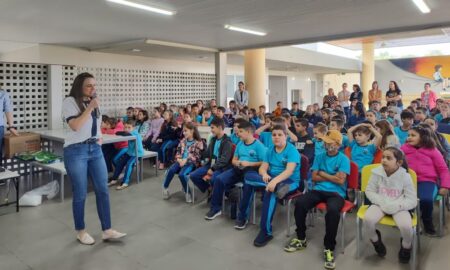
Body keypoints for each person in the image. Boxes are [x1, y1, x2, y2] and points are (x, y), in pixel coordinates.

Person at [62, 72, 125, 245]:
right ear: (79, 86)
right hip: (76, 151)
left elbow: (95, 125)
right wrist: (90, 107)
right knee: (81, 192)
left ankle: (107, 230)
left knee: (102, 189)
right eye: (89, 85)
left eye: (94, 85)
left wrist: (99, 139)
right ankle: (81, 231)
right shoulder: (70, 102)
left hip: (95, 149)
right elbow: (75, 126)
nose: (93, 88)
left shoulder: (94, 102)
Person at [285, 130, 350, 270]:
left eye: (329, 142)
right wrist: (330, 176)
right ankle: (301, 238)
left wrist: (322, 173)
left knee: (333, 211)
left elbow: (340, 181)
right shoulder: (320, 156)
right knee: (300, 203)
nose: (326, 144)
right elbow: (314, 177)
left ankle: (329, 247)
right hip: (318, 190)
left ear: (337, 144)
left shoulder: (344, 159)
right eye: (325, 142)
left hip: (336, 193)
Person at [245, 125, 301, 247]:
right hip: (271, 178)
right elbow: (263, 167)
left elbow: (289, 171)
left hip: (289, 181)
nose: (276, 137)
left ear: (286, 136)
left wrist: (274, 181)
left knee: (270, 192)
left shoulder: (292, 150)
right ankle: (276, 187)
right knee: (248, 175)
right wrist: (265, 174)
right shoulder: (270, 149)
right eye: (274, 135)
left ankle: (266, 232)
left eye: (280, 135)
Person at [363, 147, 417, 263]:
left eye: (388, 158)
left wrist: (398, 206)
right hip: (380, 203)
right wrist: (381, 202)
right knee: (367, 219)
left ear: (399, 162)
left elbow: (412, 200)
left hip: (399, 206)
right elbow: (369, 191)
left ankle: (406, 247)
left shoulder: (405, 176)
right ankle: (376, 241)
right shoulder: (376, 172)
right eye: (383, 157)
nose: (384, 160)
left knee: (406, 227)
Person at [206, 121, 267, 220]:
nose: (237, 134)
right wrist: (236, 163)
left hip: (251, 171)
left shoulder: (259, 146)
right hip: (238, 169)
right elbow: (234, 160)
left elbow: (264, 163)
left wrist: (249, 163)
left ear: (248, 132)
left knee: (248, 187)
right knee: (219, 179)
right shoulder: (240, 144)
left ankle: (243, 217)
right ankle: (216, 209)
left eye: (240, 132)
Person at [401, 125, 450, 236]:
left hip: (427, 180)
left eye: (413, 135)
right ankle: (410, 222)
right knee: (406, 201)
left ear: (423, 137)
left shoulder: (432, 150)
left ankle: (427, 221)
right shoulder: (403, 149)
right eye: (408, 135)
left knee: (426, 200)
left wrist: (445, 186)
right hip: (408, 181)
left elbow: (443, 169)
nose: (409, 137)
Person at [189, 118, 233, 197]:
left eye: (212, 128)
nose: (211, 130)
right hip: (211, 164)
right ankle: (209, 189)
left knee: (214, 179)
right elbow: (207, 153)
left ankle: (220, 193)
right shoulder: (213, 140)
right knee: (193, 175)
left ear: (219, 127)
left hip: (221, 167)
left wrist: (213, 169)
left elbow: (224, 160)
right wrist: (202, 150)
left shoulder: (227, 142)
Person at [162, 123, 204, 203]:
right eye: (183, 131)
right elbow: (177, 152)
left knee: (182, 174)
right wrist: (179, 159)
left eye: (185, 131)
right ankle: (165, 188)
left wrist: (186, 159)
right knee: (171, 170)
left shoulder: (198, 142)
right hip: (180, 161)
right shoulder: (182, 141)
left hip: (191, 163)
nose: (183, 133)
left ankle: (188, 192)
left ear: (192, 131)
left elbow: (197, 157)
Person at [109, 119, 144, 190]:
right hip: (129, 153)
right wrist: (122, 131)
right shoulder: (129, 132)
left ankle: (125, 182)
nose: (127, 129)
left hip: (137, 154)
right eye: (125, 127)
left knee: (129, 164)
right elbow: (118, 133)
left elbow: (124, 133)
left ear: (133, 128)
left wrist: (122, 132)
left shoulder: (135, 133)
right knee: (120, 163)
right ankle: (114, 178)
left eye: (129, 127)